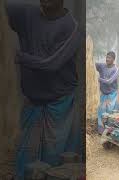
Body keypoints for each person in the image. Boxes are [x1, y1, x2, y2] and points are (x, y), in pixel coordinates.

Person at [6, 0, 83, 179]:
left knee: (56, 155)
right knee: (25, 152)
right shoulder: (26, 13)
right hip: (33, 99)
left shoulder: (72, 28)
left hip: (59, 100)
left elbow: (51, 64)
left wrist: (19, 57)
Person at [96, 51, 119, 134]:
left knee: (110, 112)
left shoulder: (115, 70)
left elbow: (109, 81)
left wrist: (98, 79)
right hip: (103, 94)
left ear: (113, 59)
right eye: (106, 57)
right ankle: (101, 131)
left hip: (111, 95)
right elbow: (92, 64)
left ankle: (110, 131)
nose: (107, 59)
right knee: (101, 110)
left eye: (109, 57)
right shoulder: (102, 66)